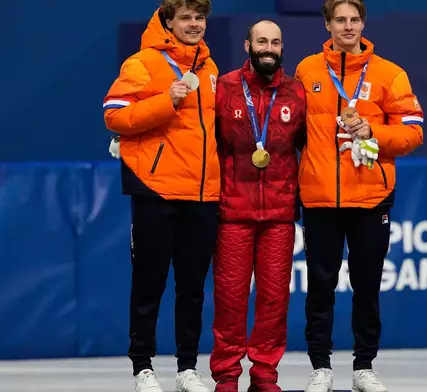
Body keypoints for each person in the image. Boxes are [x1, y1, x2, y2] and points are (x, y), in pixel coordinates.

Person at [294, 1, 424, 391]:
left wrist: (374, 133)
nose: (348, 27)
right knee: (319, 285)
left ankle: (364, 366)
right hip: (319, 198)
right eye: (340, 20)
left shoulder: (389, 74)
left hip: (370, 197)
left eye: (354, 20)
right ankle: (321, 367)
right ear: (328, 25)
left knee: (366, 286)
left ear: (363, 24)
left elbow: (413, 132)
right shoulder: (306, 70)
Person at [101, 1, 219, 391]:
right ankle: (143, 367)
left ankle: (188, 368)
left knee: (193, 287)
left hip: (202, 194)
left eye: (199, 17)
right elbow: (114, 115)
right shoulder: (142, 63)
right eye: (186, 17)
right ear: (168, 22)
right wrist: (166, 99)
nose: (195, 24)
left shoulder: (210, 68)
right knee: (149, 284)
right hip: (156, 190)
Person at [209, 20, 306, 392]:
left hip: (280, 214)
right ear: (247, 46)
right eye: (262, 41)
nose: (269, 47)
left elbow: (308, 146)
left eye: (276, 42)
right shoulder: (226, 88)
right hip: (233, 211)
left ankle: (265, 374)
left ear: (282, 47)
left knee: (274, 299)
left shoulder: (296, 92)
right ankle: (227, 375)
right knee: (230, 299)